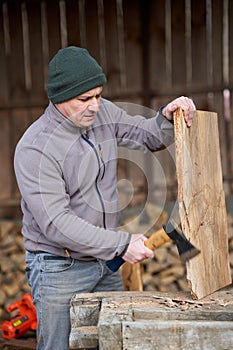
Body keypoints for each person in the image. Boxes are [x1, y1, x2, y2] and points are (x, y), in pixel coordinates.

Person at [14, 46, 196, 350]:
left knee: (111, 343)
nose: (95, 106)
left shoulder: (103, 113)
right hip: (60, 268)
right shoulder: (35, 149)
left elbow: (149, 135)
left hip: (106, 262)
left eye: (98, 95)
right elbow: (57, 224)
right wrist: (122, 244)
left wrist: (167, 116)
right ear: (58, 99)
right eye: (84, 99)